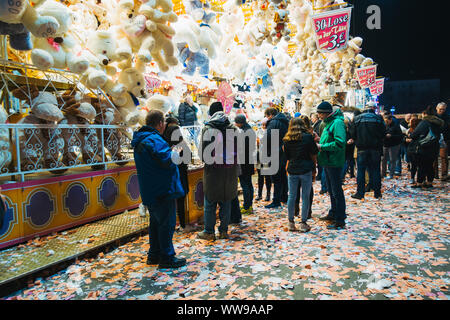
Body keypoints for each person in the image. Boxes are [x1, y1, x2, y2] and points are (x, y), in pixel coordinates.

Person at [131, 110, 186, 269]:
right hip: (163, 189)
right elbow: (168, 160)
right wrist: (176, 151)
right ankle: (167, 257)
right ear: (161, 123)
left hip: (150, 189)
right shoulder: (154, 140)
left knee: (155, 223)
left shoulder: (141, 139)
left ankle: (153, 254)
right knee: (166, 224)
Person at [197, 102, 239, 240]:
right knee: (226, 201)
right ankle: (223, 231)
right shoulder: (233, 128)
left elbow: (203, 153)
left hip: (213, 171)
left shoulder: (207, 129)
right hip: (229, 172)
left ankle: (209, 232)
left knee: (210, 202)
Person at [284, 118, 318, 232]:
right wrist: (314, 168)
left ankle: (290, 222)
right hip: (305, 169)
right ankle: (303, 223)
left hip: (292, 169)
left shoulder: (287, 139)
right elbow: (313, 153)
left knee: (292, 196)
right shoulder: (308, 137)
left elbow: (287, 157)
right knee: (305, 196)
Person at [316, 101, 347, 230]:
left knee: (336, 191)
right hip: (327, 161)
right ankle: (334, 213)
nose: (318, 116)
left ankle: (340, 219)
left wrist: (321, 146)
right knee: (331, 190)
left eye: (319, 113)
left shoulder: (337, 123)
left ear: (325, 113)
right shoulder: (328, 122)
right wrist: (319, 139)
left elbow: (340, 143)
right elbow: (329, 138)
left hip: (334, 161)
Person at [349, 105, 386, 200]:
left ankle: (360, 193)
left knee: (361, 171)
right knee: (376, 170)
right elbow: (383, 133)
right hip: (375, 148)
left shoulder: (357, 119)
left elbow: (352, 133)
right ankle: (377, 192)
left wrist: (357, 140)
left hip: (362, 148)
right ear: (373, 109)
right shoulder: (379, 118)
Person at [162, 116, 190, 231]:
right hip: (180, 174)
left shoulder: (163, 144)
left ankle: (171, 225)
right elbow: (187, 158)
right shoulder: (181, 145)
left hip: (168, 176)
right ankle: (182, 224)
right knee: (180, 201)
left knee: (169, 202)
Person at [408, 105, 445, 188]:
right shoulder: (438, 123)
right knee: (429, 165)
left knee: (422, 165)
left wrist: (410, 134)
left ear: (425, 114)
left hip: (424, 147)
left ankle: (419, 183)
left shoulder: (424, 122)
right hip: (434, 147)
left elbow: (414, 134)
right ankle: (429, 182)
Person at [264, 107, 289, 209]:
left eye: (266, 116)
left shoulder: (273, 123)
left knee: (276, 178)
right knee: (282, 176)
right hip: (283, 151)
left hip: (274, 152)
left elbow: (268, 138)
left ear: (270, 115)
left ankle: (276, 200)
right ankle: (284, 196)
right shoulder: (285, 121)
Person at [234, 114, 256, 214]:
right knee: (249, 184)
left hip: (244, 162)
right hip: (249, 160)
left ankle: (247, 206)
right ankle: (249, 205)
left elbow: (241, 148)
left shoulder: (243, 132)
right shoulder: (250, 130)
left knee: (245, 184)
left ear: (239, 123)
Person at [381, 114, 403, 179]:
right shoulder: (384, 125)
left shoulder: (396, 126)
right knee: (383, 160)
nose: (386, 123)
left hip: (394, 145)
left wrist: (391, 136)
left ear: (390, 120)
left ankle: (391, 174)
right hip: (385, 144)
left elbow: (400, 136)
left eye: (387, 121)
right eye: (385, 121)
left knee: (392, 160)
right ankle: (383, 174)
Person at [256, 118, 272, 201]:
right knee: (260, 176)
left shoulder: (269, 132)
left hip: (267, 156)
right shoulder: (258, 131)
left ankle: (268, 194)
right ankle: (259, 194)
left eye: (265, 125)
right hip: (259, 155)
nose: (264, 126)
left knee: (267, 176)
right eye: (262, 125)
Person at [435, 102, 449, 181]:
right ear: (437, 108)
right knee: (434, 158)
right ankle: (435, 174)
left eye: (443, 109)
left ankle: (444, 174)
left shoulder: (447, 117)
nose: (442, 111)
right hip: (435, 139)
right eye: (440, 109)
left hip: (444, 139)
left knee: (444, 157)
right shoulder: (433, 117)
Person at [405, 118, 421, 187]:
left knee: (414, 165)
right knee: (418, 165)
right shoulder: (418, 130)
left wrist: (407, 139)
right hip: (415, 149)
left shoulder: (411, 130)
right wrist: (406, 139)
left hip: (412, 149)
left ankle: (413, 178)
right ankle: (418, 179)